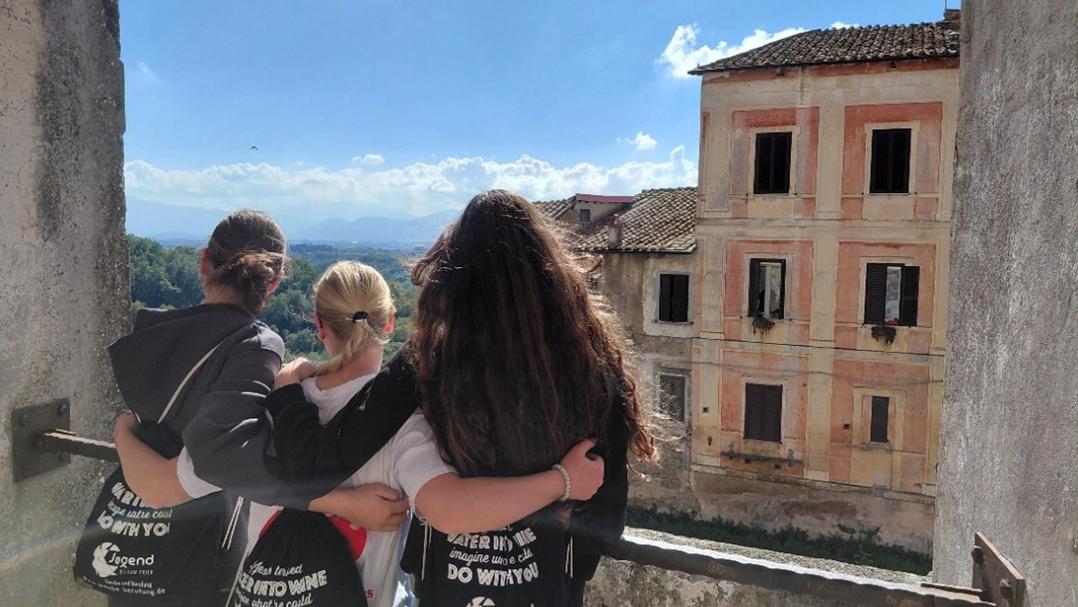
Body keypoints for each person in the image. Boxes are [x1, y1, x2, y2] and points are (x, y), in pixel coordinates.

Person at [119, 257, 604, 607]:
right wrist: (563, 480)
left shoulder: (265, 403)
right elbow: (447, 509)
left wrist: (123, 429)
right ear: (390, 323)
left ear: (318, 325)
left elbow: (160, 487)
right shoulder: (404, 422)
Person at [267, 189, 656, 606]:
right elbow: (605, 522)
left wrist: (288, 395)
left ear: (453, 281)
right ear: (553, 276)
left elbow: (320, 462)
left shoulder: (430, 361)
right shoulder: (592, 367)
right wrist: (557, 508)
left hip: (449, 586)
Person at [110, 210, 406, 607]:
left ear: (203, 261)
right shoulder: (255, 346)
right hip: (194, 562)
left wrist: (122, 432)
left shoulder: (153, 335)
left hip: (133, 551)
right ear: (276, 281)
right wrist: (341, 502)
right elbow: (214, 466)